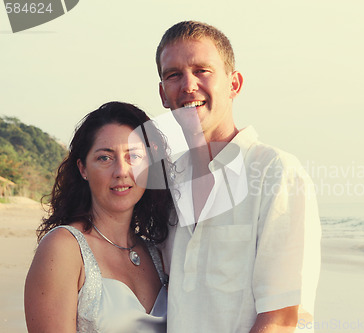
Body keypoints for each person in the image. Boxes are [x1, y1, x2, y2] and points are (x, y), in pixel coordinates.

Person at [156, 21, 322, 332]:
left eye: (202, 70)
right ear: (164, 93)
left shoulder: (276, 172)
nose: (188, 85)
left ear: (234, 84)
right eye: (174, 75)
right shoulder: (167, 181)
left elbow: (281, 319)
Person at [24, 102, 176, 332]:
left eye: (133, 156)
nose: (121, 171)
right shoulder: (64, 249)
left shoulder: (157, 252)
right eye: (105, 158)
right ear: (83, 168)